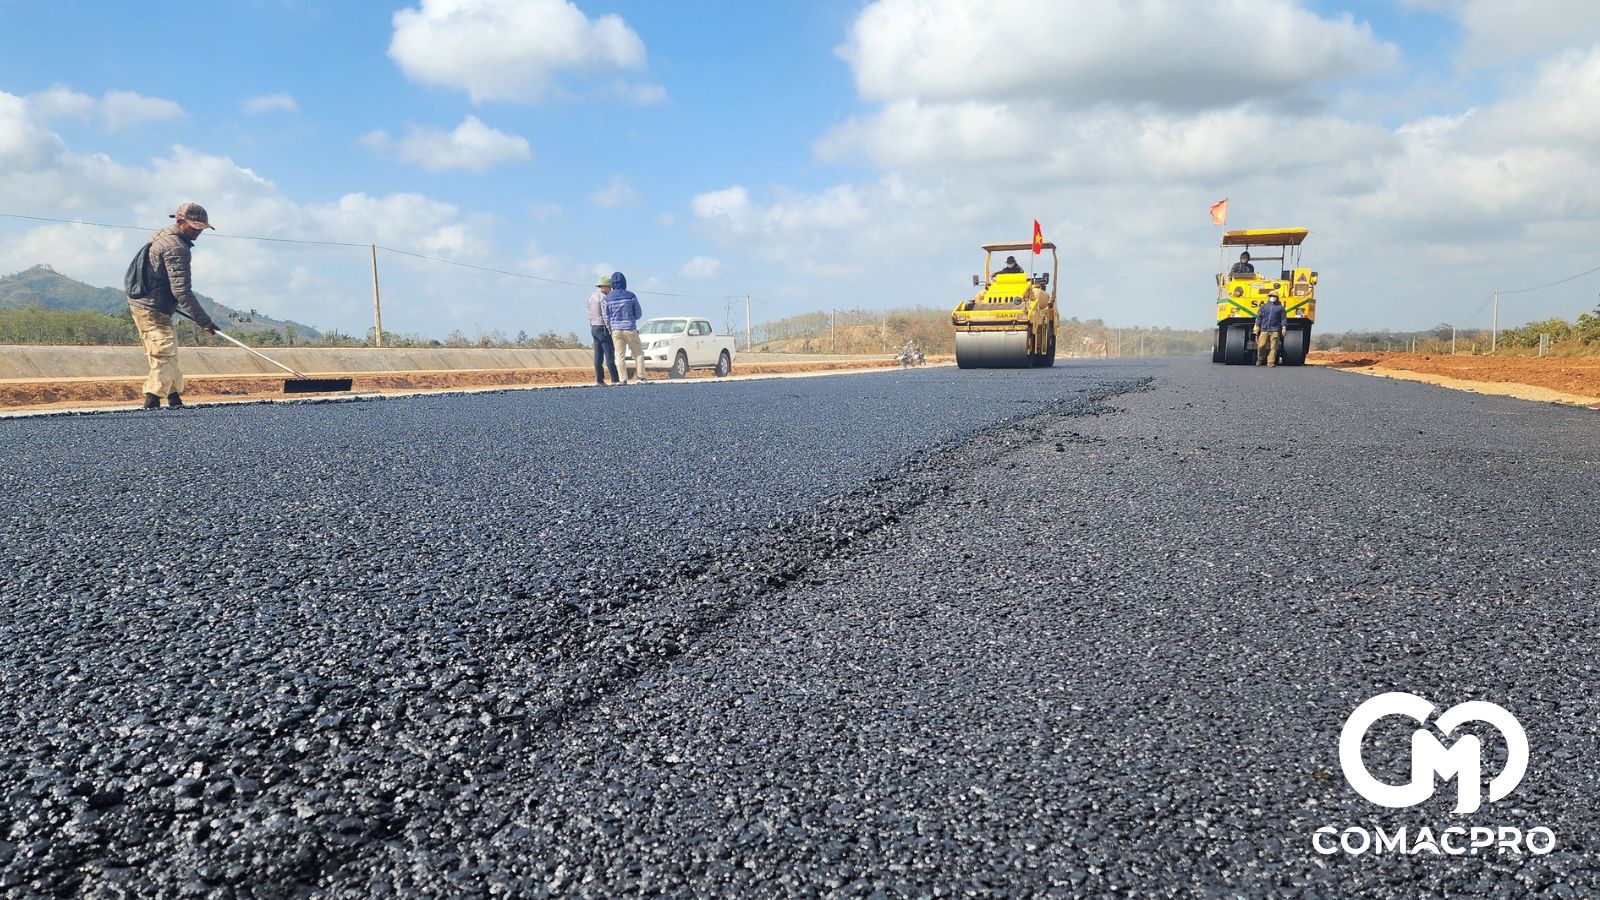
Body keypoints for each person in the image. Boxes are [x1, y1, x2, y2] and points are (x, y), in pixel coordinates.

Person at [127, 202, 219, 409]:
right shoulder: (177, 248)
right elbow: (182, 291)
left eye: (201, 228)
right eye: (194, 227)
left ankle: (174, 396)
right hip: (152, 308)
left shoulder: (162, 236)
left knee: (169, 351)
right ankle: (152, 399)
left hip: (150, 303)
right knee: (163, 352)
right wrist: (204, 320)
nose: (198, 232)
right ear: (179, 222)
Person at [604, 271, 645, 384]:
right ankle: (641, 377)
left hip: (615, 330)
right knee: (638, 353)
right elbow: (638, 314)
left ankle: (623, 379)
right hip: (630, 328)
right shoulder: (631, 296)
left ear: (612, 284)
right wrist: (631, 318)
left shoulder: (607, 299)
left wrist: (611, 329)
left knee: (619, 355)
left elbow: (606, 317)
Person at [587, 275, 620, 385]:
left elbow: (589, 313)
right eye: (609, 287)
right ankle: (615, 380)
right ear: (605, 287)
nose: (611, 290)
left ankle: (599, 380)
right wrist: (610, 329)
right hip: (602, 328)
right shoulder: (603, 298)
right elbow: (605, 315)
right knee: (609, 354)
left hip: (594, 327)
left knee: (598, 356)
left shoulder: (591, 297)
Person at [1255, 292, 1286, 367]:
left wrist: (1284, 328)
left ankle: (1270, 362)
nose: (1273, 297)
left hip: (1275, 329)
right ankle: (1260, 358)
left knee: (1273, 348)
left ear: (1277, 297)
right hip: (1264, 329)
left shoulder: (1280, 308)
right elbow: (1259, 317)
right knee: (1261, 346)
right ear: (1268, 297)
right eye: (1271, 296)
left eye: (1274, 296)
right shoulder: (1263, 307)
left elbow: (1283, 318)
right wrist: (1257, 327)